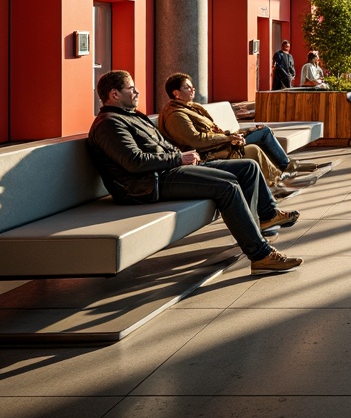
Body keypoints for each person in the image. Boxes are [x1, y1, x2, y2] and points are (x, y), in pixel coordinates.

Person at [88, 70, 302, 273]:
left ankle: (266, 218)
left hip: (166, 171)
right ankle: (260, 255)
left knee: (248, 167)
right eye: (131, 88)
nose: (137, 92)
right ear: (114, 94)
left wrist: (183, 158)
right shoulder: (109, 124)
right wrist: (178, 158)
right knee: (227, 186)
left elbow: (164, 144)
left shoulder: (133, 116)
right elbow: (134, 162)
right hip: (144, 185)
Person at [158, 73, 317, 193]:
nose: (192, 88)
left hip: (217, 144)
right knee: (256, 144)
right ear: (176, 93)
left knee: (259, 134)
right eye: (187, 87)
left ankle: (277, 181)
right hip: (206, 154)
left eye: (191, 85)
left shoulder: (190, 107)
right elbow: (195, 140)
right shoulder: (175, 115)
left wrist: (231, 136)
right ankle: (278, 180)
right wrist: (228, 138)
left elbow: (210, 130)